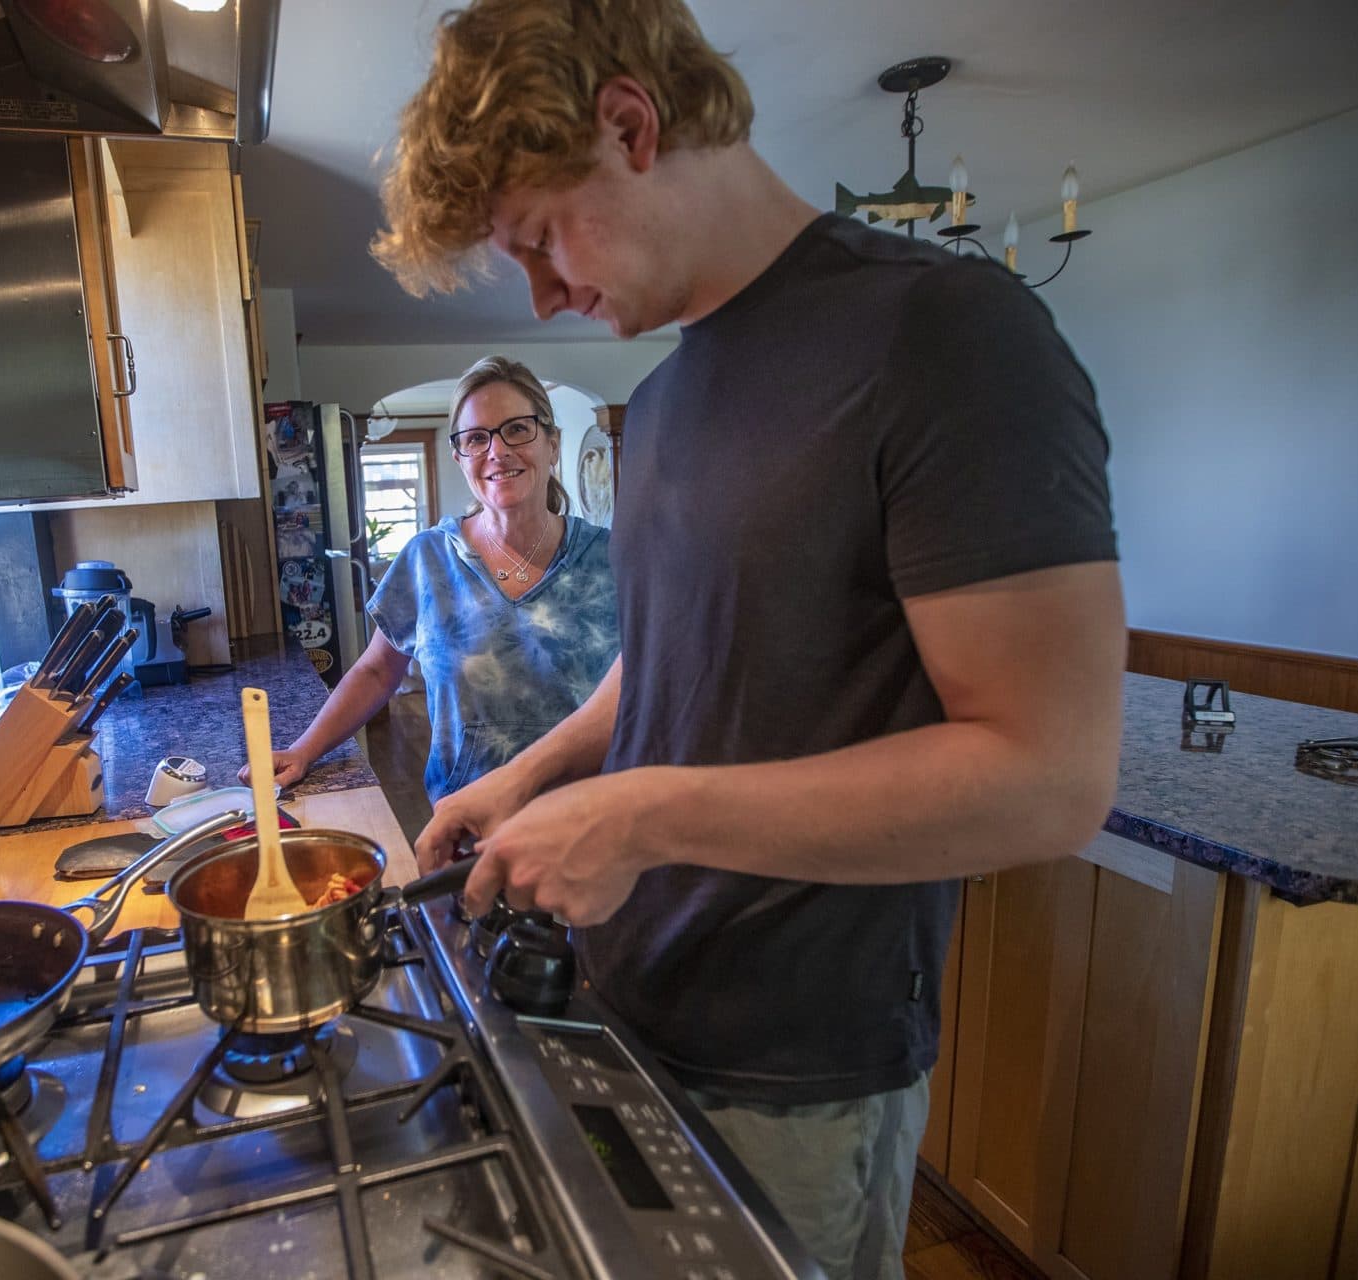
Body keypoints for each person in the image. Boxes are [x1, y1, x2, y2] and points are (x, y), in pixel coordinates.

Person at [370, 3, 1126, 1277]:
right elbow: (663, 660)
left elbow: (1051, 778)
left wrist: (642, 817)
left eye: (542, 241)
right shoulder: (663, 403)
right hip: (631, 1002)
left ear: (631, 124)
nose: (548, 296)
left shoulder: (948, 334)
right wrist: (530, 773)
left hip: (797, 1059)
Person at [241, 356, 619, 809]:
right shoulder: (427, 559)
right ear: (459, 458)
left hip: (593, 829)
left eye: (518, 429)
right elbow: (377, 671)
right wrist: (304, 749)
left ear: (552, 444)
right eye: (477, 438)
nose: (497, 451)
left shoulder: (616, 560)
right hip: (467, 829)